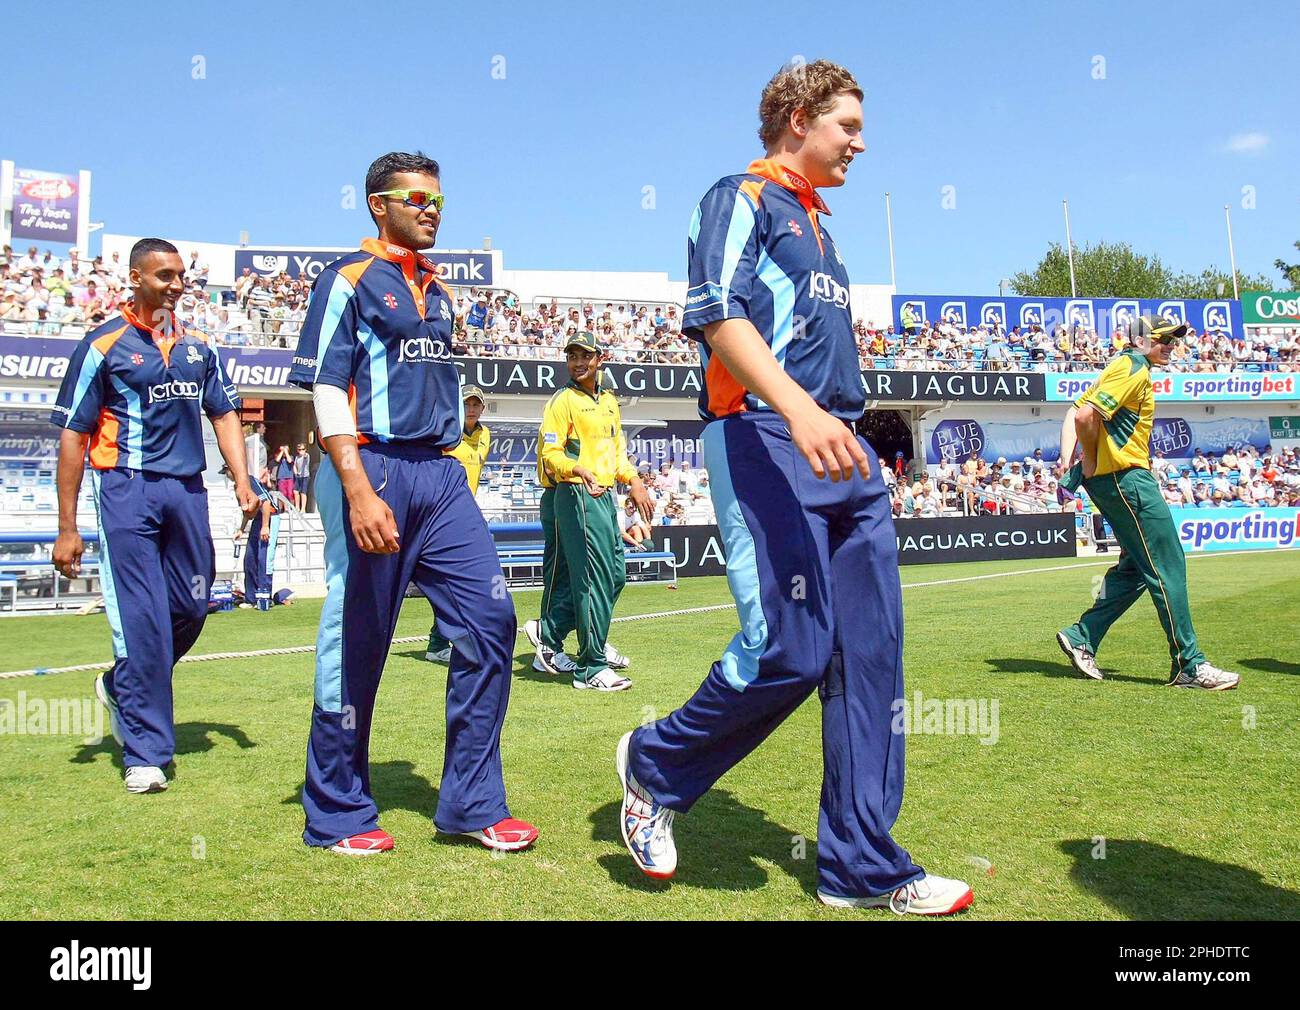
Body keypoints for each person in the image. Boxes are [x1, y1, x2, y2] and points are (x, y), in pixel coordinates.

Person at [614, 61, 972, 914]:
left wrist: (840, 420)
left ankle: (860, 867)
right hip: (767, 437)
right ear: (799, 118)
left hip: (843, 453)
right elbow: (715, 313)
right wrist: (801, 410)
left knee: (871, 664)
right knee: (791, 649)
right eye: (847, 125)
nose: (861, 141)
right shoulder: (739, 196)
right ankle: (655, 763)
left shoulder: (823, 227)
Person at [289, 150, 537, 856]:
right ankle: (336, 811)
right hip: (373, 467)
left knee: (491, 622)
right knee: (357, 640)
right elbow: (327, 388)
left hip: (441, 474)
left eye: (438, 201)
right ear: (379, 204)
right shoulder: (347, 279)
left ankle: (472, 802)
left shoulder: (441, 289)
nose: (431, 210)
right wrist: (358, 486)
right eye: (417, 199)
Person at [50, 238, 256, 794]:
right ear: (136, 279)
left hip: (187, 491)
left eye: (181, 275)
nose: (176, 284)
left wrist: (241, 479)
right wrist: (68, 526)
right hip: (125, 490)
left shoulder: (199, 348)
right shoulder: (102, 345)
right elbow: (73, 436)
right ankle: (145, 753)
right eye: (164, 275)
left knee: (192, 604)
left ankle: (123, 683)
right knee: (141, 620)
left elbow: (225, 413)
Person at [1056, 315, 1240, 690]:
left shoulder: (1120, 365)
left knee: (1137, 568)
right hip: (1127, 480)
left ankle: (1081, 635)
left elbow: (1075, 410)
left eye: (1173, 340)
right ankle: (1190, 663)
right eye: (1164, 339)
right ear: (1141, 341)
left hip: (1116, 481)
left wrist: (1069, 460)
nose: (1171, 345)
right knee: (1168, 564)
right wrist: (1088, 460)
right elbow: (1085, 416)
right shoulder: (1134, 370)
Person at [525, 331, 654, 691]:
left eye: (585, 356)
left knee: (614, 576)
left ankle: (550, 634)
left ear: (600, 359)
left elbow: (617, 452)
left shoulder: (609, 401)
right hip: (576, 494)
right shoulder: (562, 401)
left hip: (603, 496)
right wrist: (577, 470)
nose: (578, 363)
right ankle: (591, 665)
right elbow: (551, 454)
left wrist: (634, 481)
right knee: (591, 579)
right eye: (572, 357)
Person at [426, 385, 490, 664]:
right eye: (467, 403)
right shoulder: (445, 436)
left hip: (468, 511)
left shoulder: (485, 435)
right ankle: (440, 641)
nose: (472, 408)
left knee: (462, 582)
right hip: (444, 513)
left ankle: (442, 641)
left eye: (476, 404)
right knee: (452, 582)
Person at [230, 464, 292, 610]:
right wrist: (241, 529)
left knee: (264, 558)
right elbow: (247, 509)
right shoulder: (237, 486)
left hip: (270, 517)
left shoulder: (249, 481)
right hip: (257, 519)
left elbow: (265, 503)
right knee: (250, 558)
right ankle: (251, 598)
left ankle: (264, 596)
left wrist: (265, 526)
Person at [292, 442, 311, 511]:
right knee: (295, 491)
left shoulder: (307, 456)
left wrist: (304, 454)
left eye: (303, 449)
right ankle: (297, 507)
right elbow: (294, 465)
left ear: (305, 449)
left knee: (303, 492)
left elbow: (305, 456)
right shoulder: (297, 457)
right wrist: (295, 472)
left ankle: (303, 508)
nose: (301, 451)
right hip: (298, 476)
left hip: (305, 476)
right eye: (299, 449)